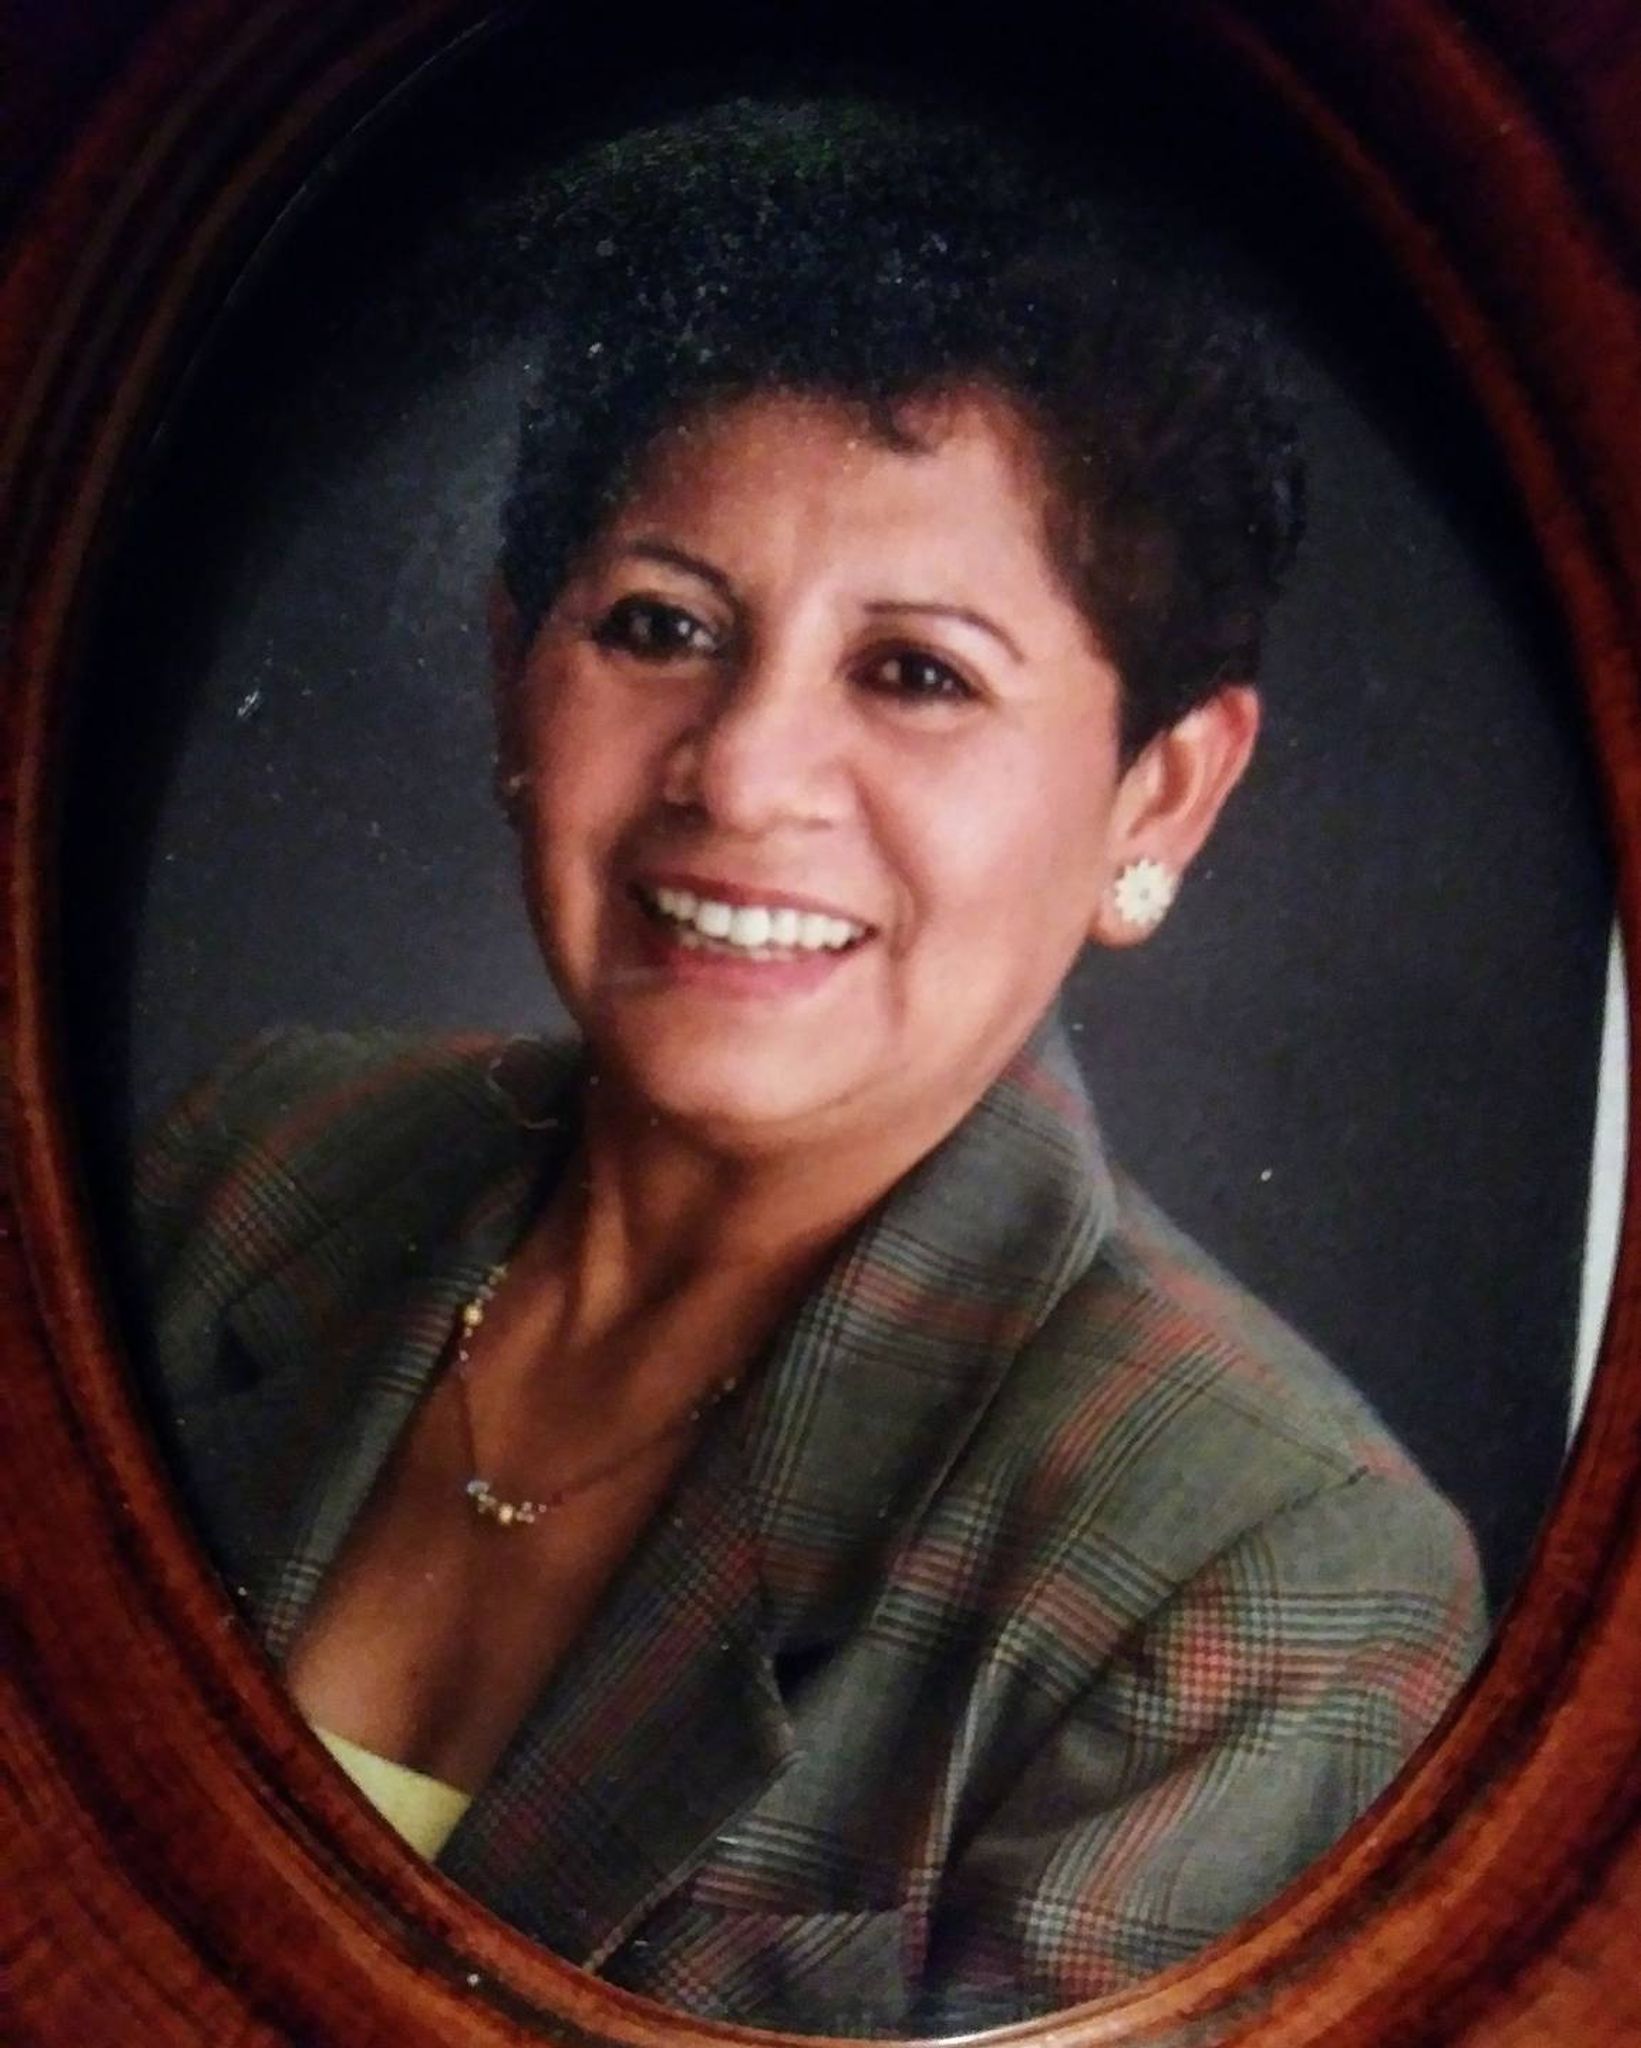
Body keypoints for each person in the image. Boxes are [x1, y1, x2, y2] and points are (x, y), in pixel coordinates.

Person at [134, 99, 1486, 2037]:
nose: (742, 772)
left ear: (1157, 790)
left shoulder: (1257, 1587)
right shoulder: (250, 1164)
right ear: (521, 668)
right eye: (661, 626)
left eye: (914, 671)